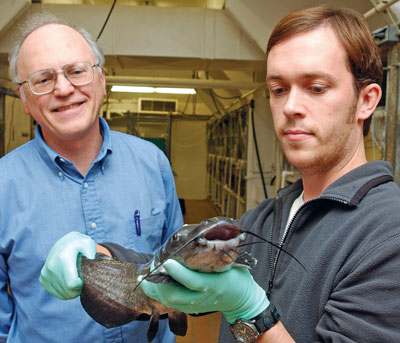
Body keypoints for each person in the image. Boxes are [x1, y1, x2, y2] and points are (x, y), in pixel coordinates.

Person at [40, 5, 400, 343]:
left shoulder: (388, 234)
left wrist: (252, 312)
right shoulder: (267, 216)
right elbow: (176, 271)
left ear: (366, 100)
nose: (290, 107)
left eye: (316, 88)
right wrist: (99, 254)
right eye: (278, 89)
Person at [0, 12, 183, 343]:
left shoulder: (152, 163)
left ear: (101, 80)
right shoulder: (4, 184)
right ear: (24, 98)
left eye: (76, 72)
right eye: (42, 79)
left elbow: (179, 267)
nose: (64, 89)